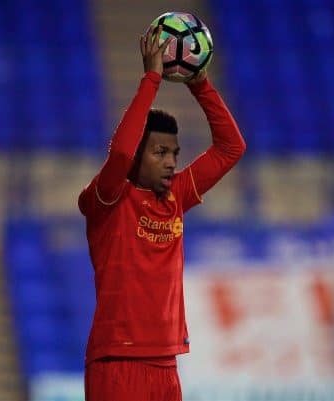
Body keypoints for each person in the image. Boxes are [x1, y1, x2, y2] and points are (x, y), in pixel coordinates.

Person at [77, 25, 246, 401]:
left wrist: (200, 84)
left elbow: (231, 147)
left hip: (167, 363)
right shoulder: (106, 201)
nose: (171, 163)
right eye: (159, 153)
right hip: (116, 362)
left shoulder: (176, 196)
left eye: (174, 154)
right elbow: (119, 154)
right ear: (137, 156)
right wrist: (151, 78)